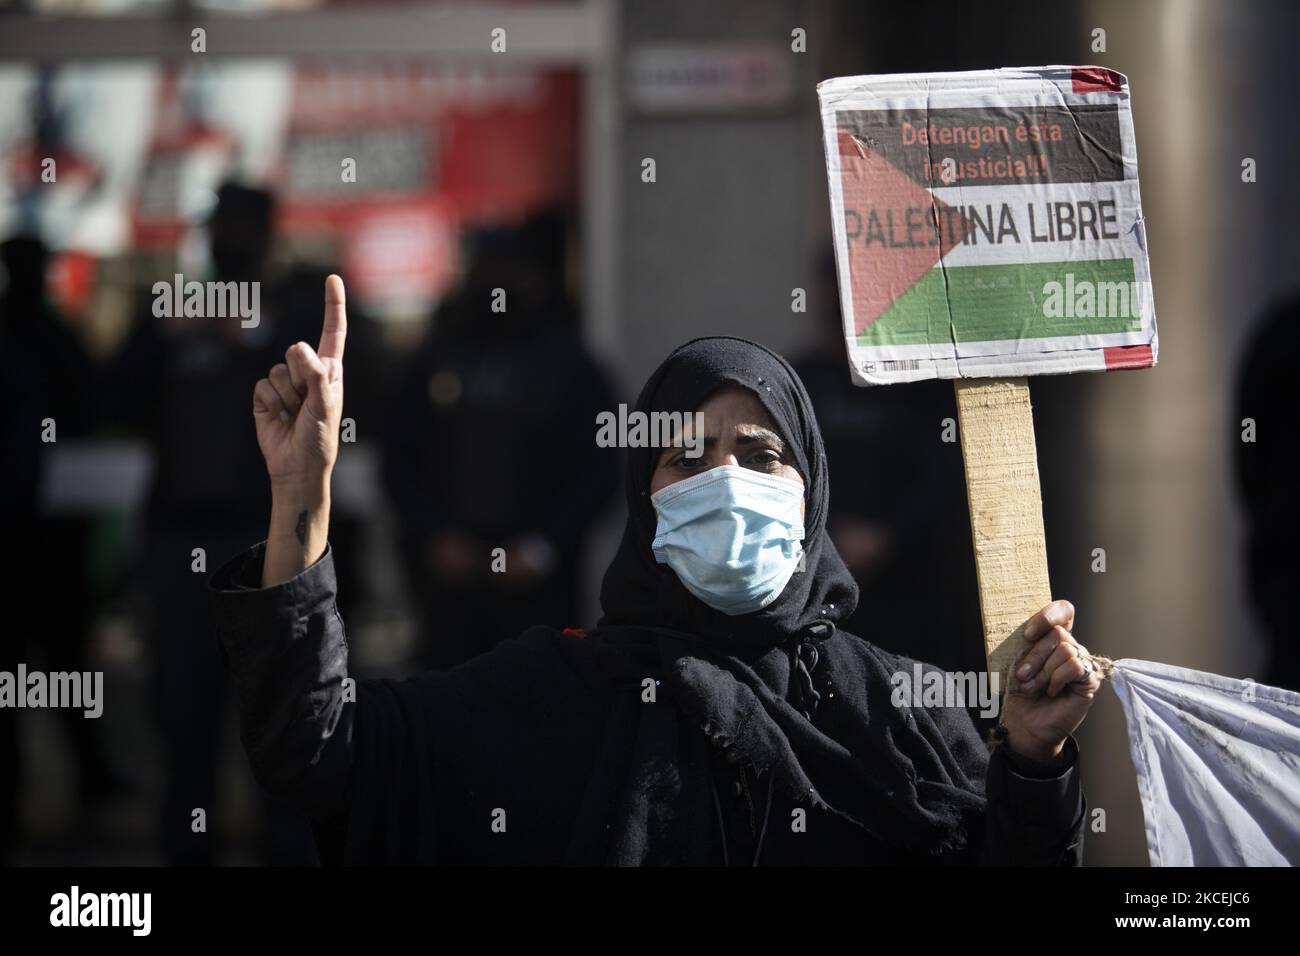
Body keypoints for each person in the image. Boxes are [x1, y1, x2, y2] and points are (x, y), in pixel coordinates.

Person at [211, 276, 1102, 865]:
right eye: (685, 456)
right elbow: (314, 749)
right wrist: (302, 494)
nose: (724, 478)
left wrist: (1033, 759)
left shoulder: (904, 711)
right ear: (644, 499)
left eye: (761, 454)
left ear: (813, 494)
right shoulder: (552, 695)